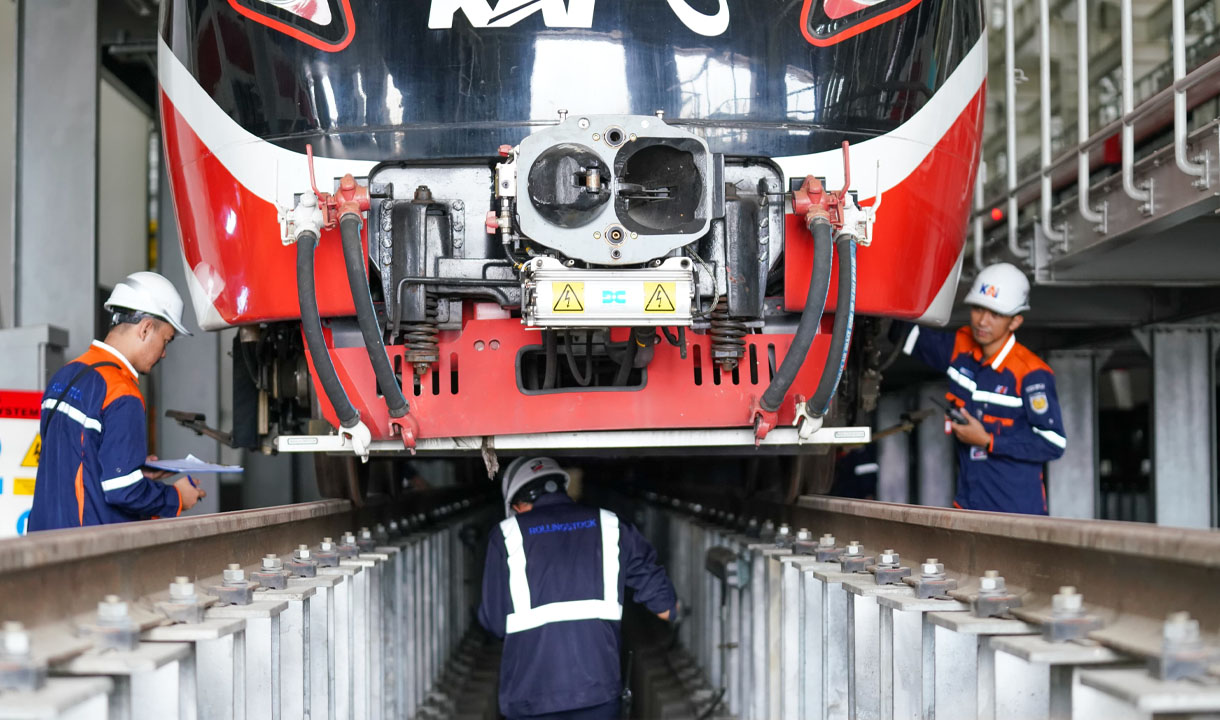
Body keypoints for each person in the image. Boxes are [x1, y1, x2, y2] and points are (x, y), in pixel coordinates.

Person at [478, 457, 678, 720]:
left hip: (531, 696)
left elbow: (493, 622)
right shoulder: (611, 525)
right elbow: (661, 599)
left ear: (518, 503)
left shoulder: (505, 535)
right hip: (598, 692)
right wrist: (675, 615)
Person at [28, 271, 206, 530]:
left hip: (44, 543)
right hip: (89, 551)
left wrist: (136, 473)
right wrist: (176, 497)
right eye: (165, 340)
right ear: (145, 329)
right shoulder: (122, 392)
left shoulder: (64, 376)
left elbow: (75, 461)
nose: (164, 353)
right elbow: (123, 492)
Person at [895, 263, 1066, 514]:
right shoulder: (961, 348)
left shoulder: (1030, 374)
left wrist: (988, 440)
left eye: (995, 314)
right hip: (967, 505)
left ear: (1015, 321)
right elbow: (903, 334)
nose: (982, 321)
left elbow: (1053, 443)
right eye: (977, 308)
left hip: (1016, 514)